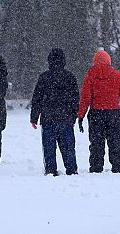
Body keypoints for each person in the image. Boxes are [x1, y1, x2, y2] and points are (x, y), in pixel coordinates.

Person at [77, 49, 120, 173]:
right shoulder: (117, 75)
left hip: (96, 114)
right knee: (115, 141)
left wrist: (81, 115)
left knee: (96, 143)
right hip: (113, 114)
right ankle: (117, 167)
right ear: (109, 61)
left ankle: (96, 168)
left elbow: (85, 98)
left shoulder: (90, 75)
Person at [30, 48, 79, 176]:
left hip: (48, 118)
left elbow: (37, 98)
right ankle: (72, 170)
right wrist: (74, 116)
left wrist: (34, 117)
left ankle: (51, 171)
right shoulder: (70, 77)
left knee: (49, 148)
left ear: (49, 60)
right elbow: (75, 99)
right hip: (66, 118)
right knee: (68, 148)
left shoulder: (44, 77)